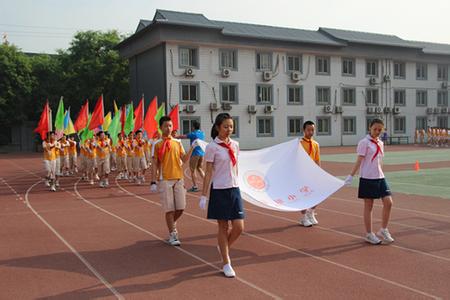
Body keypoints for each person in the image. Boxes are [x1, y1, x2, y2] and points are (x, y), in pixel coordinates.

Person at [200, 113, 244, 278]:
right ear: (218, 127)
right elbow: (208, 172)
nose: (229, 130)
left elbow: (235, 168)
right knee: (223, 227)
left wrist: (239, 185)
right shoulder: (212, 147)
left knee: (239, 227)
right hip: (219, 190)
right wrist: (204, 195)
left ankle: (223, 247)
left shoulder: (235, 145)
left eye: (231, 126)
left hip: (234, 189)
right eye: (225, 126)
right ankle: (226, 262)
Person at [344, 118, 394, 245]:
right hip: (367, 178)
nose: (377, 131)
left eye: (380, 130)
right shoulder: (364, 143)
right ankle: (369, 234)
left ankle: (383, 229)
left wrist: (381, 173)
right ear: (370, 128)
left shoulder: (381, 143)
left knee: (388, 202)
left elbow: (380, 161)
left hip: (380, 177)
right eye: (375, 129)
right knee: (369, 205)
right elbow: (359, 160)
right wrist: (351, 176)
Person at [151, 116, 194, 246]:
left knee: (181, 208)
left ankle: (171, 223)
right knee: (169, 209)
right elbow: (154, 164)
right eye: (166, 126)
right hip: (165, 179)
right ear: (161, 127)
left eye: (170, 126)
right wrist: (153, 181)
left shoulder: (177, 142)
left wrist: (192, 148)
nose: (168, 128)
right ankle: (172, 234)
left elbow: (184, 159)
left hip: (178, 178)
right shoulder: (156, 144)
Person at [299, 121, 321, 227]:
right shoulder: (299, 143)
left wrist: (319, 173)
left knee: (317, 194)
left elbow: (317, 160)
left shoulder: (316, 144)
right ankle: (303, 217)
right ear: (304, 130)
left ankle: (311, 212)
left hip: (312, 173)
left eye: (312, 130)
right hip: (302, 174)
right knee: (303, 195)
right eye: (308, 130)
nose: (310, 132)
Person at [178, 120, 205, 192]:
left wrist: (175, 137)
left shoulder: (193, 134)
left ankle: (195, 186)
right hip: (202, 153)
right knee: (199, 168)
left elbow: (183, 136)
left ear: (193, 127)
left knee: (192, 170)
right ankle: (206, 183)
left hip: (195, 153)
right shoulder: (202, 133)